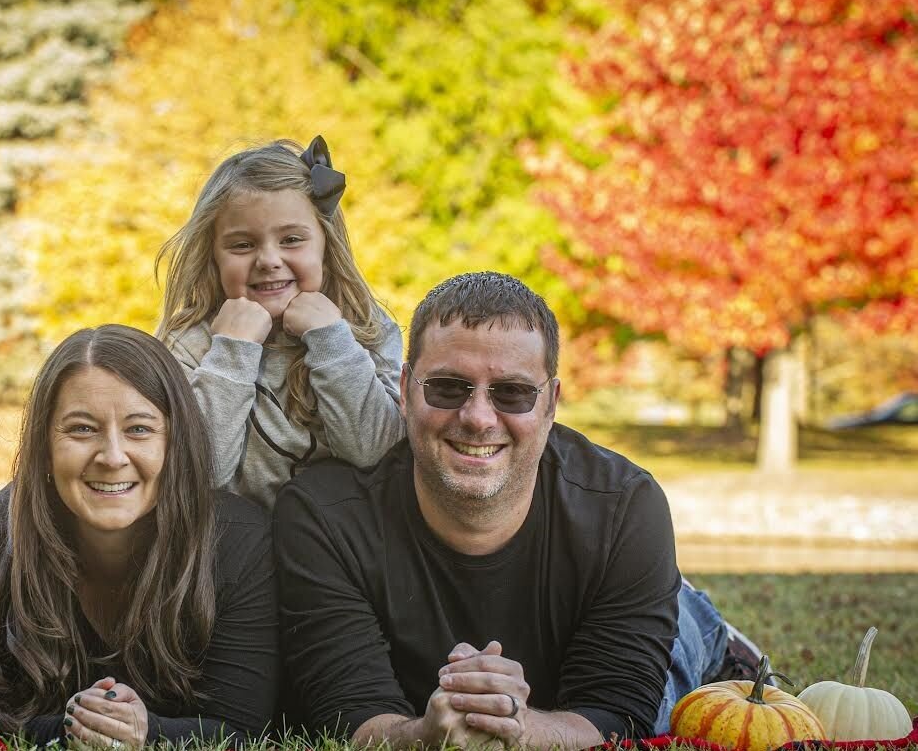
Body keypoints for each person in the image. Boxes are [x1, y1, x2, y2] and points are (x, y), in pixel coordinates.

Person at [275, 272, 762, 750]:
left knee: (668, 693)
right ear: (405, 389)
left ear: (551, 403)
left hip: (621, 618)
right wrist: (424, 736)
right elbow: (347, 714)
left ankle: (695, 616)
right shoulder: (323, 517)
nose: (478, 418)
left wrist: (522, 730)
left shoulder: (624, 507)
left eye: (512, 392)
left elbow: (617, 714)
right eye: (448, 387)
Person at [0, 325, 279, 747]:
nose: (112, 457)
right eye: (82, 429)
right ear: (45, 445)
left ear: (175, 443)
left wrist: (147, 732)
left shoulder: (237, 541)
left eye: (139, 429)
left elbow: (243, 729)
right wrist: (77, 725)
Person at [156, 136, 404, 507]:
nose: (269, 259)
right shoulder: (192, 344)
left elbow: (376, 453)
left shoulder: (364, 326)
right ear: (213, 256)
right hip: (236, 547)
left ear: (326, 245)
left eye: (291, 239)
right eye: (242, 245)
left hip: (341, 543)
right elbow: (200, 473)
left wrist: (331, 341)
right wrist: (232, 353)